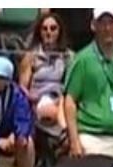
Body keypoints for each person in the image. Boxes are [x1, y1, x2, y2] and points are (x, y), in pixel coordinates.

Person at [62, 8, 113, 161]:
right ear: (93, 25)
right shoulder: (83, 59)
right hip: (91, 138)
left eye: (111, 22)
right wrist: (74, 141)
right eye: (102, 23)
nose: (107, 28)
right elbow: (70, 100)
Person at [18, 12, 73, 148]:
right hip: (37, 100)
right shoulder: (31, 56)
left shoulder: (68, 56)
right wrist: (31, 96)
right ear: (39, 32)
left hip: (59, 99)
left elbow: (71, 84)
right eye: (45, 29)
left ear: (59, 32)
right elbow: (21, 87)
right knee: (50, 112)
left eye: (53, 28)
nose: (49, 32)